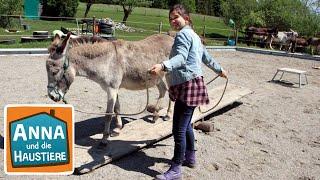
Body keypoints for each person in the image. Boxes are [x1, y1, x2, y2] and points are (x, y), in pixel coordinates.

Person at [149, 4, 227, 180]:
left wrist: (163, 65)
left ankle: (176, 169)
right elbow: (205, 56)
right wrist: (219, 70)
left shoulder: (183, 35)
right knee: (186, 125)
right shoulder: (194, 35)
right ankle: (190, 157)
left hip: (187, 85)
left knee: (178, 129)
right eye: (170, 19)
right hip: (194, 84)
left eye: (176, 17)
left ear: (186, 17)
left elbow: (181, 58)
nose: (173, 21)